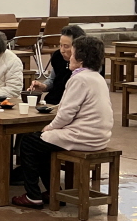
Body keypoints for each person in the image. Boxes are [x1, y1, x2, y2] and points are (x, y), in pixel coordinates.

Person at [12, 36, 113, 209]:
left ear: (80, 59)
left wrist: (49, 127)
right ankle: (53, 191)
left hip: (83, 136)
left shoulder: (79, 79)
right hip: (99, 136)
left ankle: (32, 195)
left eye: (72, 54)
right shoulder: (97, 77)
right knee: (42, 144)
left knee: (29, 142)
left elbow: (66, 114)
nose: (69, 57)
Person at [30, 25, 86, 105]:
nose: (62, 50)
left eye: (66, 46)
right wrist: (43, 86)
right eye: (60, 45)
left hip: (71, 104)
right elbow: (52, 79)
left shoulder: (87, 63)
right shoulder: (57, 56)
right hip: (52, 102)